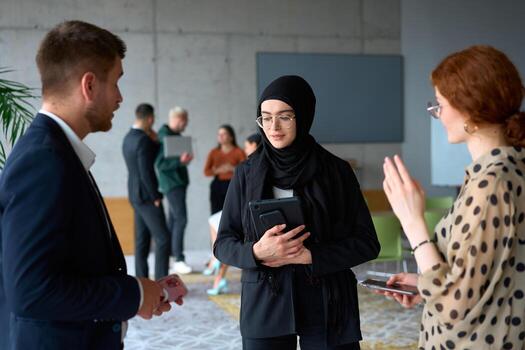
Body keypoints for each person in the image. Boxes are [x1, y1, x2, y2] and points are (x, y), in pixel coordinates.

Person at [0, 21, 170, 350]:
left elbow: (70, 265)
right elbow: (33, 292)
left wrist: (140, 293)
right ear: (89, 85)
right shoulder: (44, 160)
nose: (120, 97)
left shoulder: (58, 152)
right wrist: (133, 294)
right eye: (116, 82)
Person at [214, 75, 380, 349]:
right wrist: (257, 252)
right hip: (266, 301)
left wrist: (312, 256)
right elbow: (223, 244)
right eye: (265, 118)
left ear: (303, 116)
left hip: (328, 301)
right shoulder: (246, 173)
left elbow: (367, 243)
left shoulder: (336, 172)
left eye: (285, 117)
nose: (273, 127)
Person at [378, 45, 525, 349]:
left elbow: (454, 306)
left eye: (440, 104)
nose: (438, 114)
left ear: (468, 109)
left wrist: (412, 222)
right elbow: (483, 278)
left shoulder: (492, 183)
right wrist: (425, 285)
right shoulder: (506, 170)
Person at [205, 133, 263, 295]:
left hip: (246, 211)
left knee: (226, 232)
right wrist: (219, 169)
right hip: (227, 198)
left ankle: (216, 265)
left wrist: (230, 169)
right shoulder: (245, 164)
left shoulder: (250, 166)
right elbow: (207, 171)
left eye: (247, 146)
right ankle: (216, 263)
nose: (245, 149)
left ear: (255, 146)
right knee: (216, 224)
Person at [122, 103, 171, 280]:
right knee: (163, 239)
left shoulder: (128, 137)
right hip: (146, 196)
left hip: (134, 194)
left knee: (142, 241)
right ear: (150, 119)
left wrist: (155, 141)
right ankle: (161, 282)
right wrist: (155, 196)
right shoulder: (142, 139)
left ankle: (142, 281)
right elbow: (146, 171)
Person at [155, 106, 193, 274]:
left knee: (174, 220)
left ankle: (171, 256)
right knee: (181, 219)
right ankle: (178, 259)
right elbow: (160, 164)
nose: (187, 123)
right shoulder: (164, 137)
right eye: (185, 120)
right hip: (172, 184)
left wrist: (182, 161)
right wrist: (180, 162)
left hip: (178, 182)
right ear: (178, 120)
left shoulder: (174, 136)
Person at [203, 125, 246, 214]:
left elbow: (245, 170)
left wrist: (233, 168)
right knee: (216, 213)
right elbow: (206, 172)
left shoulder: (239, 151)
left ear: (231, 137)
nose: (220, 136)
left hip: (233, 184)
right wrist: (218, 170)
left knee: (234, 212)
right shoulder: (213, 152)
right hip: (217, 185)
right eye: (219, 134)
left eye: (224, 133)